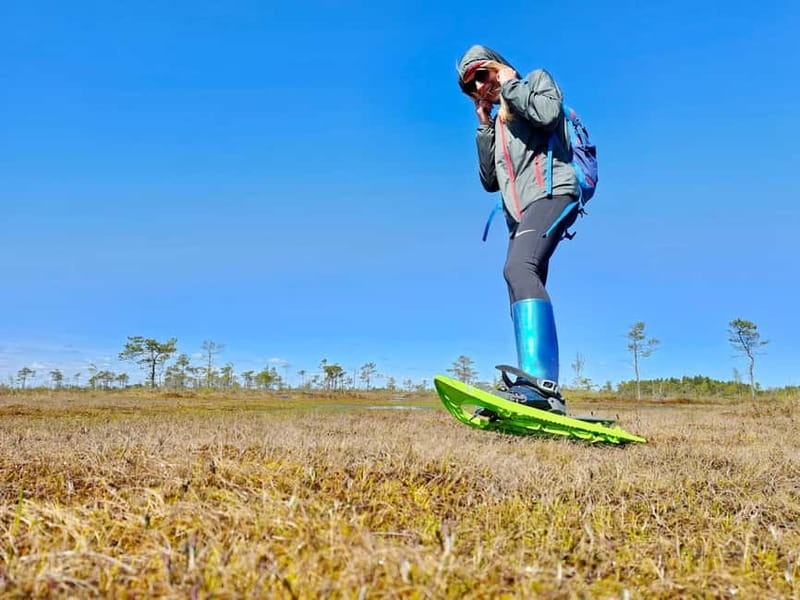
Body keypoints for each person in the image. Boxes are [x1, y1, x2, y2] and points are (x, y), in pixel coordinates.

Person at [457, 45, 580, 414]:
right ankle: (533, 391)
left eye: (482, 74)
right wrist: (483, 124)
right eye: (469, 85)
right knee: (518, 283)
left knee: (516, 269)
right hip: (521, 213)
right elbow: (489, 181)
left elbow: (547, 113)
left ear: (499, 67)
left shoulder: (535, 82)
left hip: (553, 193)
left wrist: (510, 85)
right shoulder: (499, 121)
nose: (479, 86)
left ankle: (540, 386)